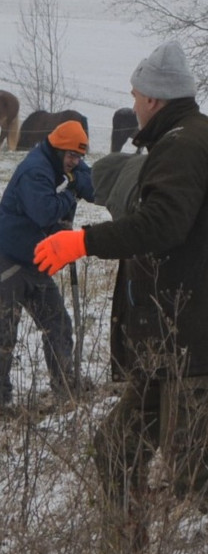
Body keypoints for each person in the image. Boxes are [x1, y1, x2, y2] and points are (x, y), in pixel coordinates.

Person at [33, 40, 208, 554]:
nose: (132, 102)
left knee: (195, 463)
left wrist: (81, 242)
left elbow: (161, 225)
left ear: (155, 98)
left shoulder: (181, 148)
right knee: (116, 450)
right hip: (172, 339)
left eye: (135, 94)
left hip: (191, 340)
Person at [0, 120, 95, 408]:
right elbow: (44, 213)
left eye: (79, 157)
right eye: (71, 156)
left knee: (58, 324)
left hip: (35, 260)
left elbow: (91, 187)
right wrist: (69, 193)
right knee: (4, 332)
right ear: (56, 149)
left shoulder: (63, 164)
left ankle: (65, 385)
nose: (75, 162)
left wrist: (76, 179)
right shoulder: (35, 171)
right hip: (8, 259)